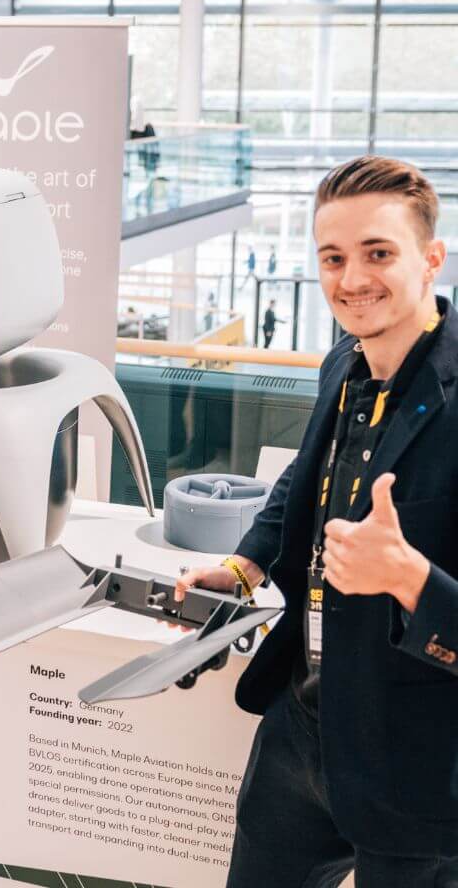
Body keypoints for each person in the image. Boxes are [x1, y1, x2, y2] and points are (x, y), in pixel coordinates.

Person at [176, 156, 458, 888]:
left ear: (432, 258)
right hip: (300, 731)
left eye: (378, 253)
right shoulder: (343, 363)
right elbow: (308, 475)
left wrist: (411, 580)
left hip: (419, 765)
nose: (351, 278)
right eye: (333, 258)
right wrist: (245, 563)